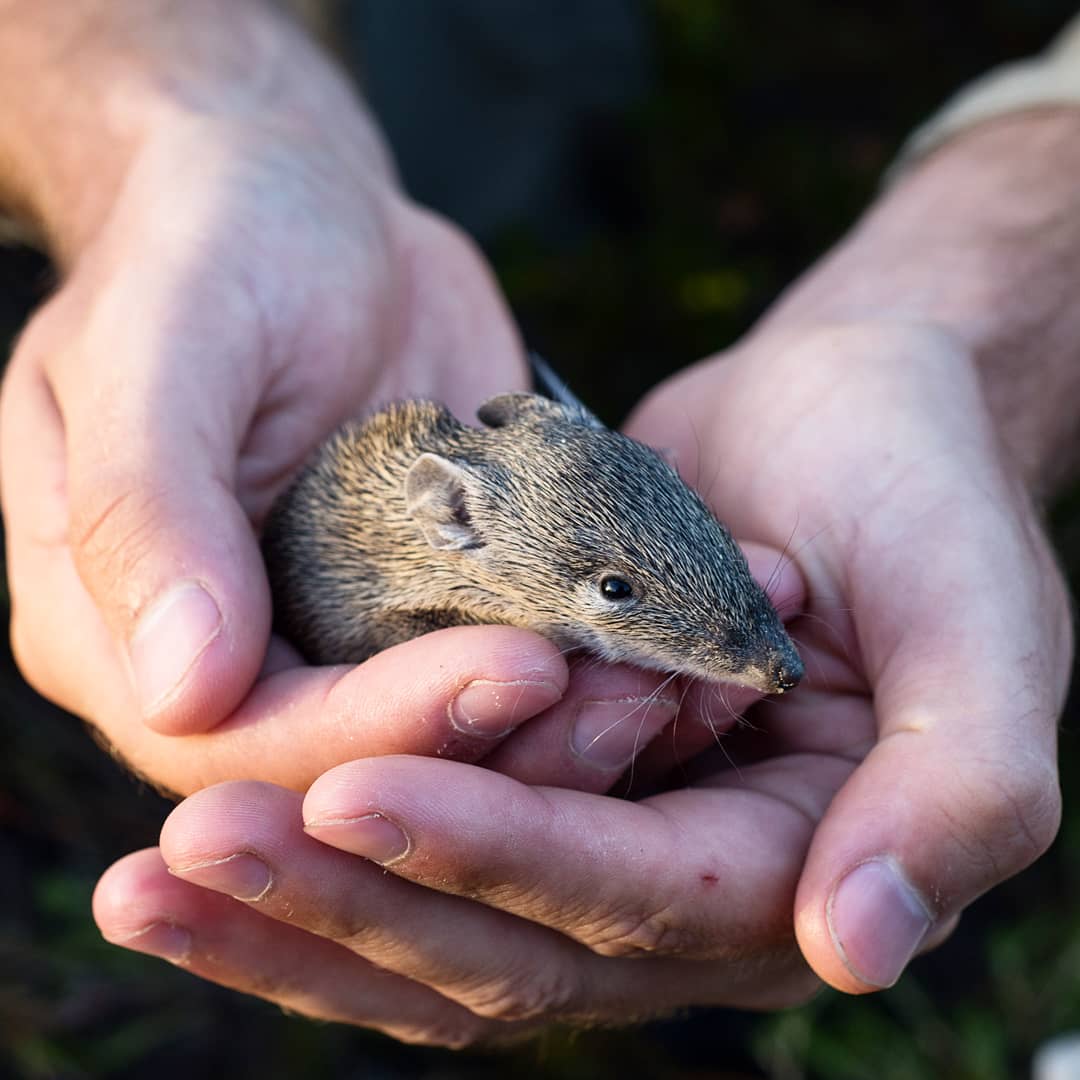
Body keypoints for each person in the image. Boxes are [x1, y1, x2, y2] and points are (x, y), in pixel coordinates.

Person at [2, 0, 1078, 1046]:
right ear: (453, 520)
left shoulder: (530, 474)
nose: (761, 662)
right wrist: (161, 128)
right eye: (613, 592)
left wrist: (955, 328)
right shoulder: (411, 553)